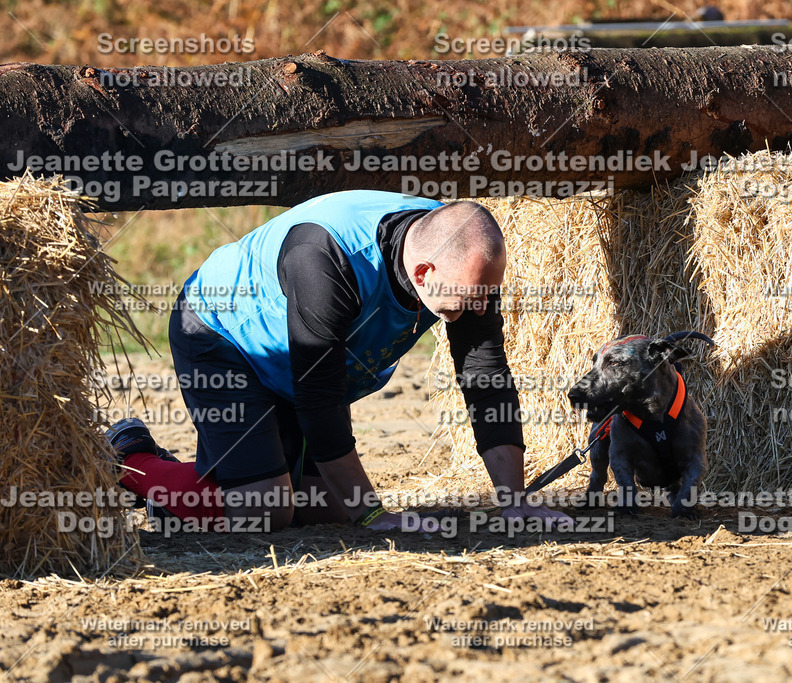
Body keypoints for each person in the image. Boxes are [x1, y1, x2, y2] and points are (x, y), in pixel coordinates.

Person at [106, 190, 570, 532]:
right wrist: (372, 514)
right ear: (423, 273)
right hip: (222, 334)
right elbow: (319, 396)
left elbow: (485, 376)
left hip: (296, 362)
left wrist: (513, 500)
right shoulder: (326, 259)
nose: (477, 311)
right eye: (469, 300)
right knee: (263, 512)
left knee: (325, 508)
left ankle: (188, 490)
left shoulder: (464, 264)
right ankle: (128, 457)